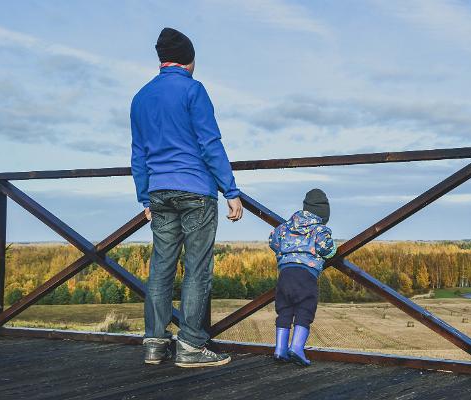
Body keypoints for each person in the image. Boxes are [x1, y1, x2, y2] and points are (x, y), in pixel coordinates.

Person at [131, 27, 243, 368]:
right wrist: (231, 190)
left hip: (159, 194)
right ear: (189, 60)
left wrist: (144, 198)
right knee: (197, 269)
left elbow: (138, 154)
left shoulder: (141, 97)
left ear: (162, 60)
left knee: (161, 267)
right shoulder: (194, 90)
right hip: (196, 190)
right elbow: (210, 144)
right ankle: (191, 346)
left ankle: (154, 343)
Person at [268, 189, 336, 366]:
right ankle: (296, 347)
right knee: (304, 310)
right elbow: (326, 249)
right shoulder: (320, 230)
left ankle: (280, 349)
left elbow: (273, 242)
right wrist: (333, 248)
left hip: (285, 275)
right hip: (306, 276)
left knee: (284, 310)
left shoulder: (285, 227)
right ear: (323, 213)